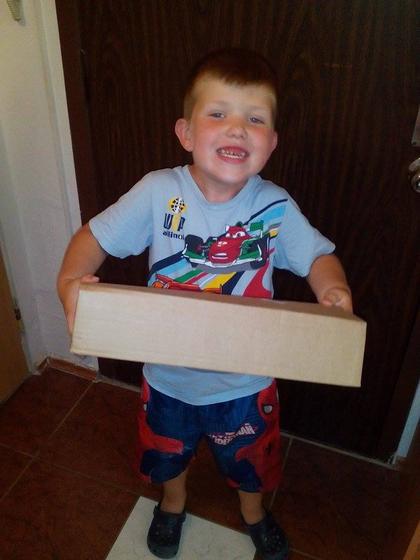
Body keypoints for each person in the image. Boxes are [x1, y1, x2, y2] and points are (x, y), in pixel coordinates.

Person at [57, 48, 352, 560]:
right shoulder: (159, 192)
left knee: (250, 461)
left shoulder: (275, 207)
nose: (237, 128)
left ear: (271, 142)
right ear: (187, 133)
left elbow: (318, 256)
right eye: (218, 113)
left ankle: (253, 513)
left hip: (246, 382)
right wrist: (68, 281)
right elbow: (94, 236)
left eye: (255, 119)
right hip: (168, 378)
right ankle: (173, 503)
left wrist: (333, 289)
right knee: (167, 453)